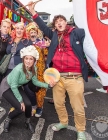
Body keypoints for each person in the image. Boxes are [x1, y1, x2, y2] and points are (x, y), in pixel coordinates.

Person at [28, 1, 88, 140]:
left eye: (62, 20)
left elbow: (90, 35)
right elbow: (42, 25)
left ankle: (81, 130)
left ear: (66, 22)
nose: (59, 23)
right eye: (57, 22)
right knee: (59, 103)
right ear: (54, 25)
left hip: (74, 76)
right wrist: (32, 11)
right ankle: (63, 122)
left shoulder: (76, 32)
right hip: (57, 77)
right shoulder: (54, 35)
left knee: (77, 107)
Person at [0, 45, 55, 133]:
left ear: (34, 60)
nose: (28, 61)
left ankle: (27, 122)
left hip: (16, 86)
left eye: (31, 59)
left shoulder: (34, 68)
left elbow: (35, 82)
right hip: (7, 87)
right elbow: (13, 86)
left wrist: (48, 85)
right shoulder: (18, 69)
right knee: (21, 108)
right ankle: (8, 119)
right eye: (26, 58)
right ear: (23, 59)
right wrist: (21, 101)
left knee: (28, 104)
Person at [25, 22, 50, 117]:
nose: (32, 33)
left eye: (34, 31)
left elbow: (47, 57)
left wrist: (46, 47)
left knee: (40, 89)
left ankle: (40, 107)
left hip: (40, 70)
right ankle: (32, 105)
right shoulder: (26, 43)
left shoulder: (42, 43)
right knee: (29, 89)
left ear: (37, 33)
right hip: (28, 70)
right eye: (30, 32)